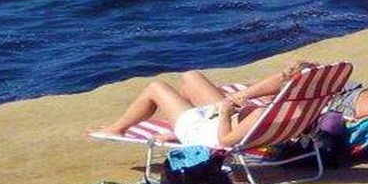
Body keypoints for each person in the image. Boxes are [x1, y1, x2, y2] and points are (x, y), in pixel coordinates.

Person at [92, 60, 318, 149]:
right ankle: (178, 126)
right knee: (191, 77)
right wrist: (240, 108)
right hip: (224, 121)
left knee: (156, 88)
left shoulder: (262, 114)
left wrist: (226, 113)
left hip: (206, 132)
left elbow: (225, 141)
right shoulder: (306, 107)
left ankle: (117, 129)